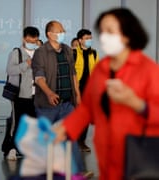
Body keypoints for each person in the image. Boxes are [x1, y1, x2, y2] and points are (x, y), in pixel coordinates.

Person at [53, 8, 159, 180]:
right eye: (102, 31)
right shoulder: (102, 69)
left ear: (127, 34)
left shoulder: (148, 70)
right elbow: (87, 108)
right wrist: (65, 128)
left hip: (139, 160)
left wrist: (136, 103)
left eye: (110, 31)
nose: (103, 37)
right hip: (106, 158)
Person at [32, 20, 95, 178]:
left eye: (63, 30)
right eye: (59, 30)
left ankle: (77, 172)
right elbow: (39, 77)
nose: (62, 33)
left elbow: (73, 73)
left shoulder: (67, 50)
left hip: (67, 104)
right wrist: (49, 93)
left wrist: (78, 94)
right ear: (49, 34)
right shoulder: (41, 52)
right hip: (47, 105)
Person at [2, 26, 39, 160]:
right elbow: (10, 70)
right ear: (24, 39)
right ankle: (10, 148)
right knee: (16, 123)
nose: (32, 43)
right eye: (29, 40)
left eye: (34, 41)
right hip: (19, 95)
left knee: (32, 124)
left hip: (35, 95)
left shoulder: (39, 53)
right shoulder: (16, 53)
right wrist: (26, 64)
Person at [74, 29, 99, 152]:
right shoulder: (73, 53)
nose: (89, 40)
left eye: (90, 38)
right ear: (80, 40)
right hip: (76, 89)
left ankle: (81, 141)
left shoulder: (93, 53)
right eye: (86, 38)